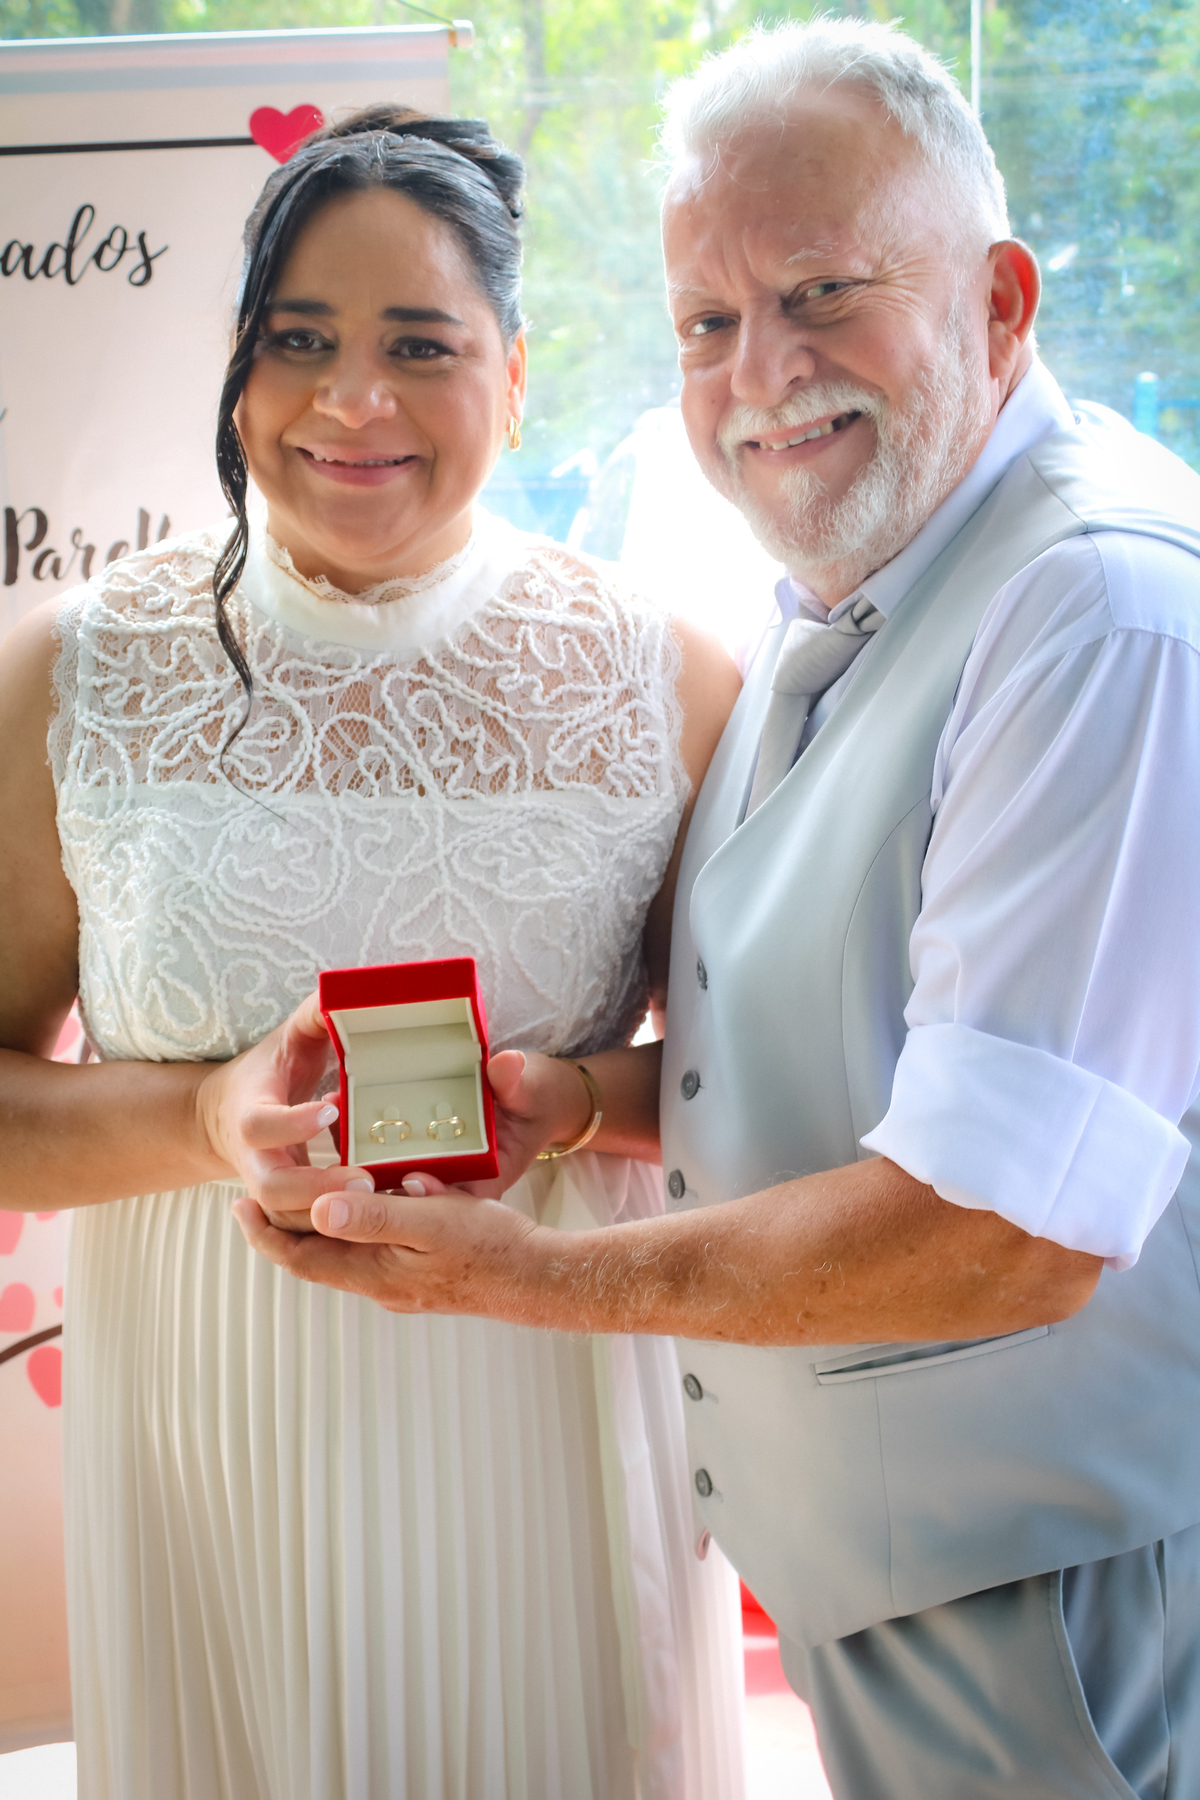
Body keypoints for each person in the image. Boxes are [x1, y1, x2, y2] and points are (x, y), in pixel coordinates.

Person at [238, 22, 1200, 1799]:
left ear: (1000, 302)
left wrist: (536, 1283)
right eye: (706, 321)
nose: (763, 375)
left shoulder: (1100, 613)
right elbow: (849, 1048)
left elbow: (1012, 1229)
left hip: (1052, 1608)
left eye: (823, 291)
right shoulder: (845, 585)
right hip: (894, 1583)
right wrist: (582, 1101)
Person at [0, 107, 748, 1799]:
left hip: (549, 1415)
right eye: (300, 342)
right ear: (238, 372)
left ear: (516, 377)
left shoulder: (668, 678)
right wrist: (201, 1118)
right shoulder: (76, 671)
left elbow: (764, 1082)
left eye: (421, 345)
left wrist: (575, 1100)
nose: (353, 400)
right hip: (208, 1429)